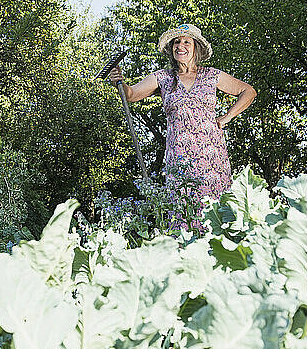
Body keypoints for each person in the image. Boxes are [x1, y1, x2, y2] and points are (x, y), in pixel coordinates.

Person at [109, 23, 257, 232]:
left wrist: (225, 118)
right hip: (179, 160)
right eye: (177, 42)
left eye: (187, 42)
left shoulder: (211, 75)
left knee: (216, 213)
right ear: (171, 48)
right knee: (182, 215)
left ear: (196, 47)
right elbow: (131, 95)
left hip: (212, 158)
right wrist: (120, 82)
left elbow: (248, 91)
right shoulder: (163, 78)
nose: (181, 46)